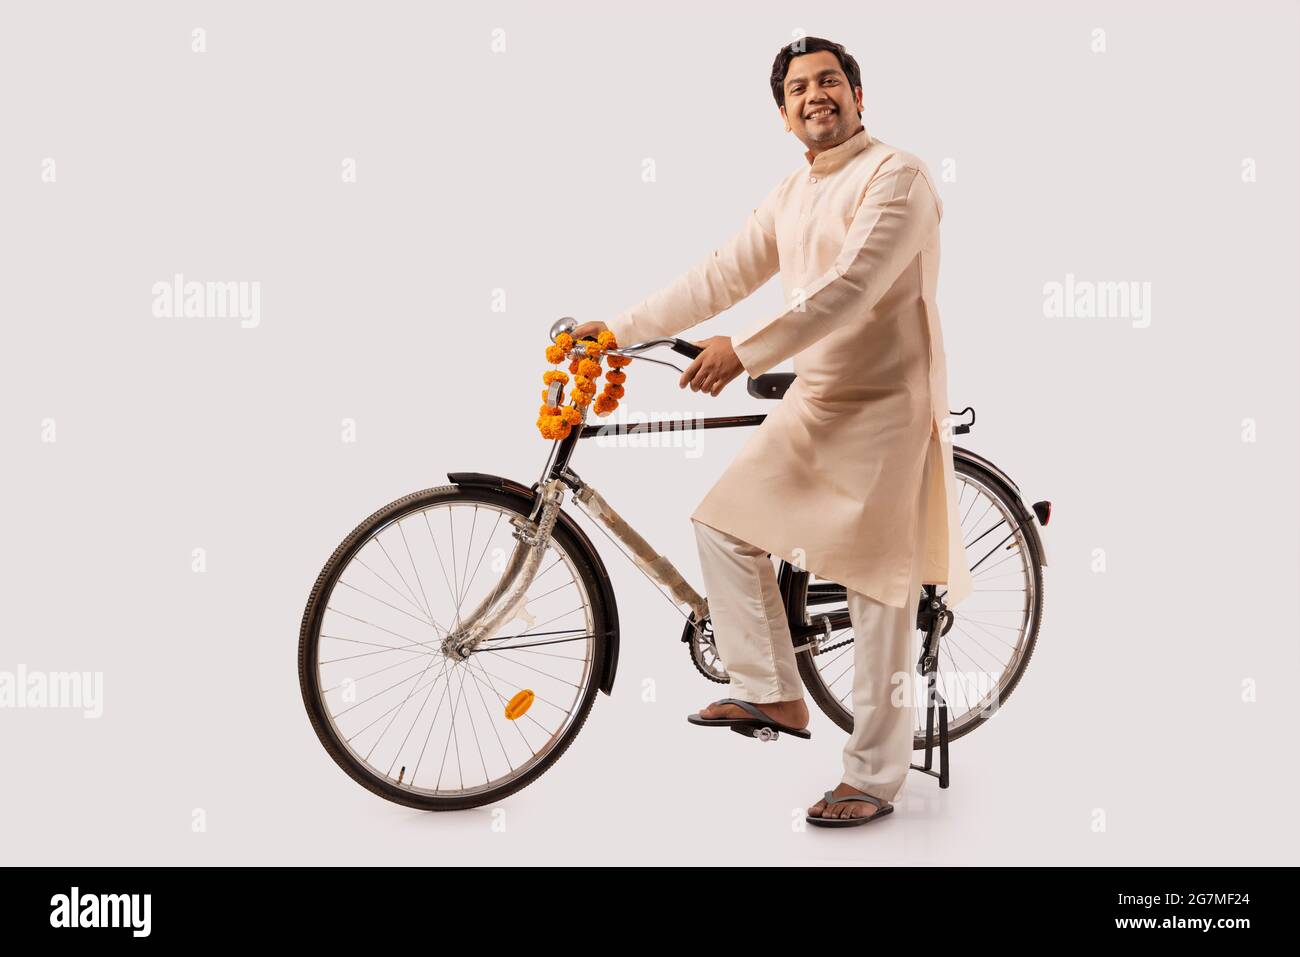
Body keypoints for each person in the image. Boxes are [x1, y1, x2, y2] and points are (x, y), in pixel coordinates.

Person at [572, 36, 973, 826]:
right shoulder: (793, 192)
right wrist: (615, 330)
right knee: (723, 523)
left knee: (876, 587)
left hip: (890, 403)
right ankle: (775, 691)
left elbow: (853, 289)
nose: (814, 95)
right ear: (783, 114)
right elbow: (717, 275)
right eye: (798, 88)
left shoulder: (899, 176)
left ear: (860, 96)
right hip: (819, 394)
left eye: (830, 81)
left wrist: (744, 351)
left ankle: (874, 775)